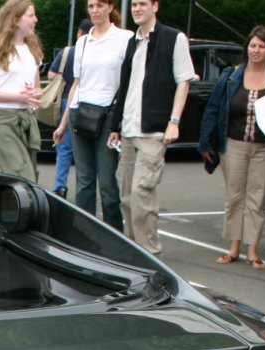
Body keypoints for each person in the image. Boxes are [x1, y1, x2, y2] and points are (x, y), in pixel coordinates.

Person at [108, 0, 195, 257]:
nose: (137, 8)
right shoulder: (132, 41)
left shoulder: (173, 38)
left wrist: (174, 122)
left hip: (154, 131)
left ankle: (150, 254)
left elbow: (184, 81)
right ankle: (133, 252)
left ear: (155, 6)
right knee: (126, 197)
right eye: (134, 4)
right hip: (128, 130)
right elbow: (126, 86)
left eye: (142, 4)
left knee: (141, 194)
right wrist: (116, 126)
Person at [199, 25, 265, 271]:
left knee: (257, 197)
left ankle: (253, 249)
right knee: (235, 196)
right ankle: (233, 246)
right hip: (233, 143)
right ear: (247, 48)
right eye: (252, 45)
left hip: (264, 146)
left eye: (261, 46)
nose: (256, 50)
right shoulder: (232, 75)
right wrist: (206, 142)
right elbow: (213, 108)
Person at [53, 0, 129, 228]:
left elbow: (129, 81)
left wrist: (119, 122)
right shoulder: (83, 42)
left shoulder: (124, 38)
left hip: (108, 115)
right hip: (80, 112)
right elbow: (76, 84)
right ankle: (85, 234)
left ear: (110, 7)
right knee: (84, 180)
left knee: (107, 181)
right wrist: (63, 124)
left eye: (99, 5)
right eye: (91, 6)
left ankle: (114, 234)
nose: (94, 10)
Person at [0, 0, 42, 182]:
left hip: (26, 119)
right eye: (31, 15)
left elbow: (37, 88)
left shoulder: (32, 50)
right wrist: (17, 97)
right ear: (15, 20)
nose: (35, 19)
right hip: (1, 121)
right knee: (21, 176)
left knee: (29, 178)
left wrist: (35, 94)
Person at [47, 19, 91, 198]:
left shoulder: (67, 52)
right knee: (85, 149)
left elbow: (51, 74)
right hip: (90, 103)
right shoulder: (95, 51)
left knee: (64, 147)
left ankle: (60, 186)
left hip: (67, 100)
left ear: (79, 32)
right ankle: (85, 187)